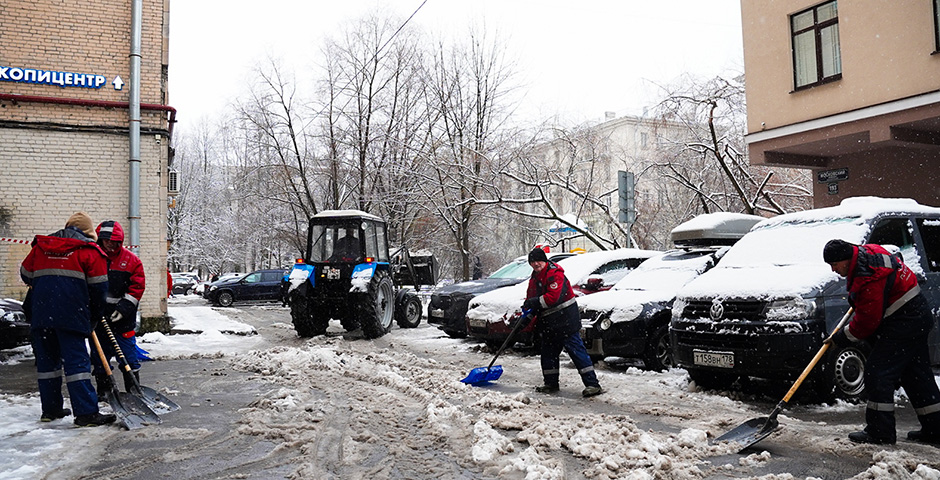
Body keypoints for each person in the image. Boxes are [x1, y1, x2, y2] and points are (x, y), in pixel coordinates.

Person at [823, 239, 940, 445]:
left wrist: (841, 337)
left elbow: (868, 322)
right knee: (916, 374)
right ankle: (936, 428)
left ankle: (880, 432)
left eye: (835, 264)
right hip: (917, 315)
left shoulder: (868, 276)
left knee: (878, 372)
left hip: (905, 321)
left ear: (846, 259)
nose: (833, 270)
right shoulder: (868, 252)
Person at [20, 212, 116, 426]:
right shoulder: (90, 252)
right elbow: (100, 289)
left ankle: (51, 410)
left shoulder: (41, 247)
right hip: (71, 316)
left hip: (41, 315)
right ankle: (86, 413)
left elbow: (25, 273)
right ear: (88, 232)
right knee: (77, 365)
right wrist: (94, 315)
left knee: (47, 364)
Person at [520, 247, 603, 397]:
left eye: (538, 260)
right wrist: (526, 316)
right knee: (548, 354)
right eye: (532, 262)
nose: (536, 264)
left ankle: (593, 385)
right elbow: (531, 298)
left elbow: (552, 298)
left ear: (544, 261)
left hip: (566, 321)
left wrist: (534, 303)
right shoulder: (535, 277)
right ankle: (550, 383)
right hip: (549, 324)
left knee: (577, 352)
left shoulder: (554, 274)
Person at [92, 220, 146, 393]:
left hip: (123, 321)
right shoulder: (92, 258)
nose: (109, 244)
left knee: (128, 358)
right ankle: (104, 392)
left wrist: (123, 309)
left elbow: (137, 288)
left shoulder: (131, 261)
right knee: (100, 359)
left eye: (113, 241)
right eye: (106, 240)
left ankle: (134, 392)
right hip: (99, 321)